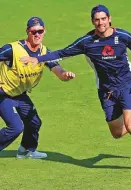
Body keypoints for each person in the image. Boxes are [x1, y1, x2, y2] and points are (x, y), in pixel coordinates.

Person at [20, 6, 131, 174]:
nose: (100, 23)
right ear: (93, 22)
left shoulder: (123, 36)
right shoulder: (87, 42)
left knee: (130, 125)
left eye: (103, 19)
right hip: (106, 91)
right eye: (97, 20)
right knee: (116, 132)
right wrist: (38, 58)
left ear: (109, 19)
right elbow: (64, 52)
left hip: (127, 86)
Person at [0, 17, 75, 159]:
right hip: (3, 94)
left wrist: (65, 75)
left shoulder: (45, 52)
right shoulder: (12, 49)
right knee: (16, 127)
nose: (37, 35)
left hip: (20, 95)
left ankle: (26, 150)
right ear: (27, 32)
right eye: (33, 31)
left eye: (40, 31)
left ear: (44, 31)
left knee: (34, 122)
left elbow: (58, 70)